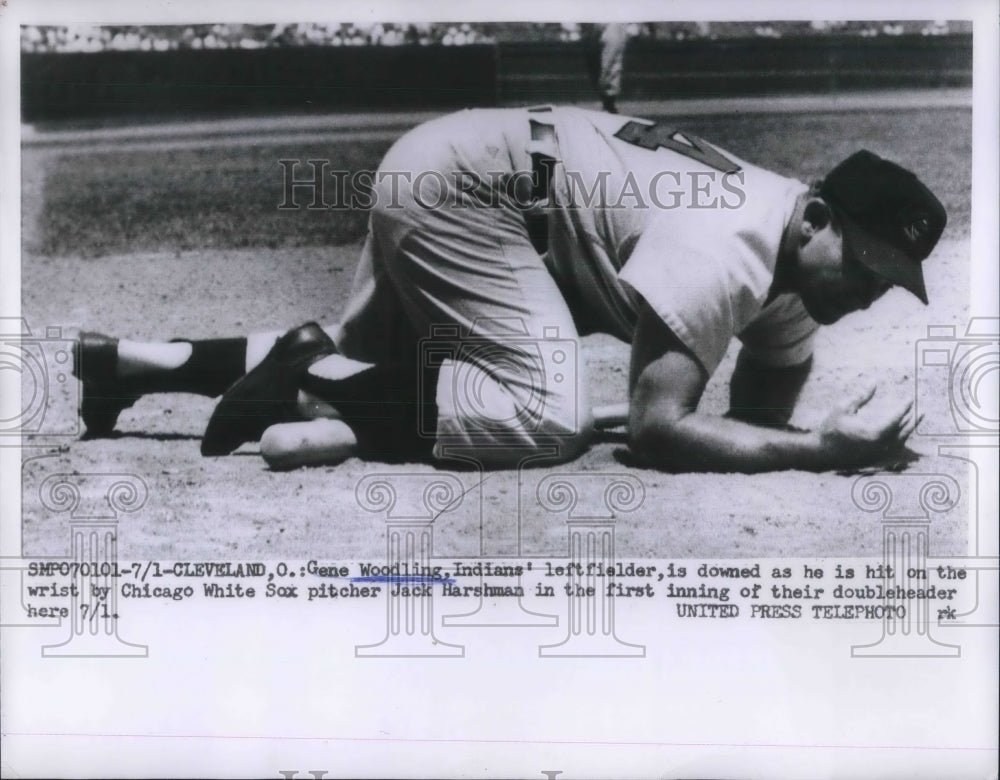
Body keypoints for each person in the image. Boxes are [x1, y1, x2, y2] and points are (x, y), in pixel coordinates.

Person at [73, 105, 946, 473]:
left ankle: (136, 366)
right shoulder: (734, 242)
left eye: (890, 283)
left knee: (382, 370)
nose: (872, 293)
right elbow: (659, 427)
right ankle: (312, 375)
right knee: (548, 414)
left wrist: (782, 437)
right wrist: (827, 451)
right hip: (468, 190)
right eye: (867, 265)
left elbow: (751, 422)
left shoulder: (790, 262)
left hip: (460, 167)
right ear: (817, 217)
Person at [581, 23, 629, 113]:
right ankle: (607, 104)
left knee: (610, 68)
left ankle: (609, 104)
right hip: (599, 28)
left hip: (612, 27)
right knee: (600, 69)